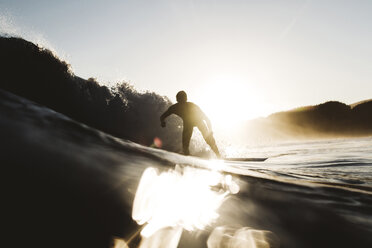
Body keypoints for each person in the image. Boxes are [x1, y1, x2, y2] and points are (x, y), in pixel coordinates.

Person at [160, 91, 221, 158]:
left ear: (186, 99)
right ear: (177, 100)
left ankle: (218, 155)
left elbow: (206, 119)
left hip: (198, 121)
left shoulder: (192, 106)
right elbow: (162, 117)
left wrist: (210, 131)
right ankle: (187, 156)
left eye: (183, 99)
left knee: (209, 140)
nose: (182, 103)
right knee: (185, 145)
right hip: (188, 124)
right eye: (180, 100)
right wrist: (162, 122)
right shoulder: (175, 108)